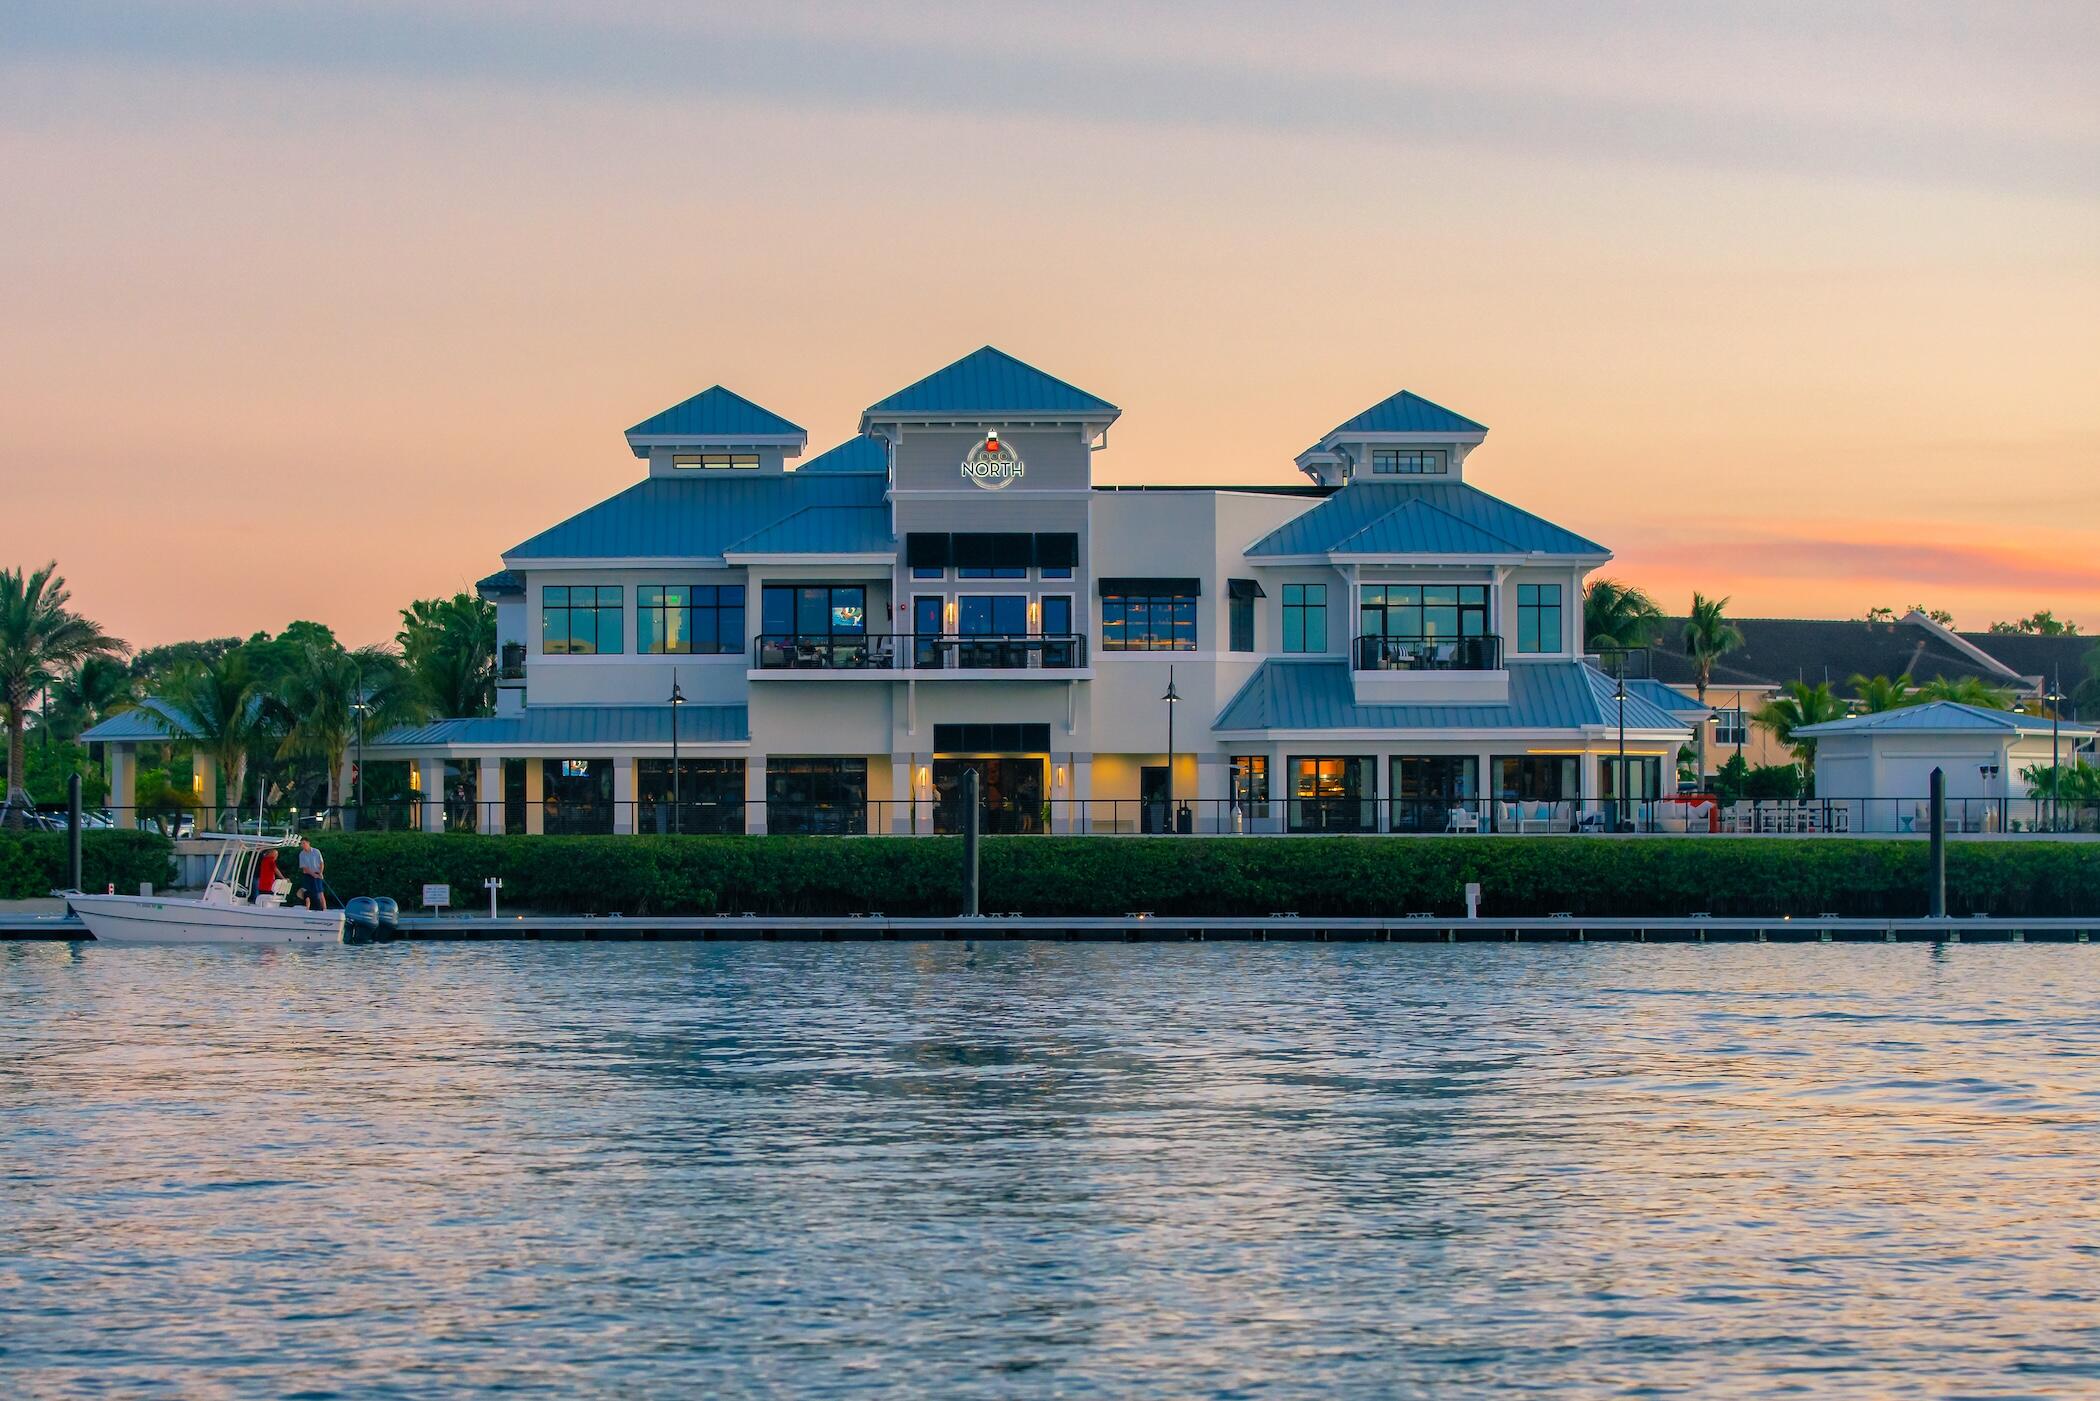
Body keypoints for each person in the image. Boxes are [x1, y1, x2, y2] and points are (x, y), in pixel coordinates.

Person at [298, 838, 326, 910]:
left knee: (320, 892)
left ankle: (324, 909)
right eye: (301, 844)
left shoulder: (316, 851)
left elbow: (321, 863)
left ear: (308, 843)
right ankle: (307, 909)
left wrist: (320, 873)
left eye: (304, 843)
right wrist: (313, 875)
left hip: (317, 873)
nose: (302, 845)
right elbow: (304, 868)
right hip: (308, 874)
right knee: (306, 892)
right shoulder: (301, 854)